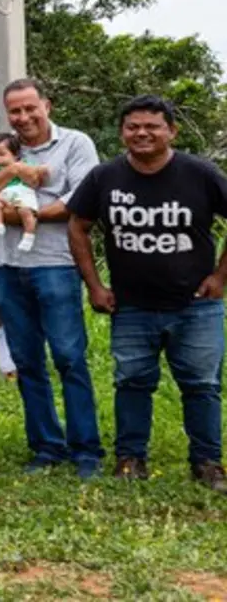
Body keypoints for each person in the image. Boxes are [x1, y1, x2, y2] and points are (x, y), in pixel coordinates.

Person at [69, 95, 227, 492]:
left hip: (196, 305)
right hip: (131, 306)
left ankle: (207, 463)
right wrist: (95, 285)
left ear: (171, 131)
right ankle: (130, 459)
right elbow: (77, 225)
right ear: (122, 132)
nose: (142, 133)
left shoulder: (200, 174)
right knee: (132, 383)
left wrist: (221, 277)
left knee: (202, 386)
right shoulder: (105, 177)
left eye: (152, 126)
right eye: (133, 126)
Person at [0, 77, 103, 477]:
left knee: (68, 357)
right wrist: (17, 171)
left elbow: (80, 201)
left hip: (57, 264)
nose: (24, 117)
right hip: (8, 266)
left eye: (31, 108)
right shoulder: (1, 148)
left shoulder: (75, 144)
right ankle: (46, 446)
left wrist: (21, 213)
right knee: (27, 361)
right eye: (15, 111)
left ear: (47, 105)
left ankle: (86, 450)